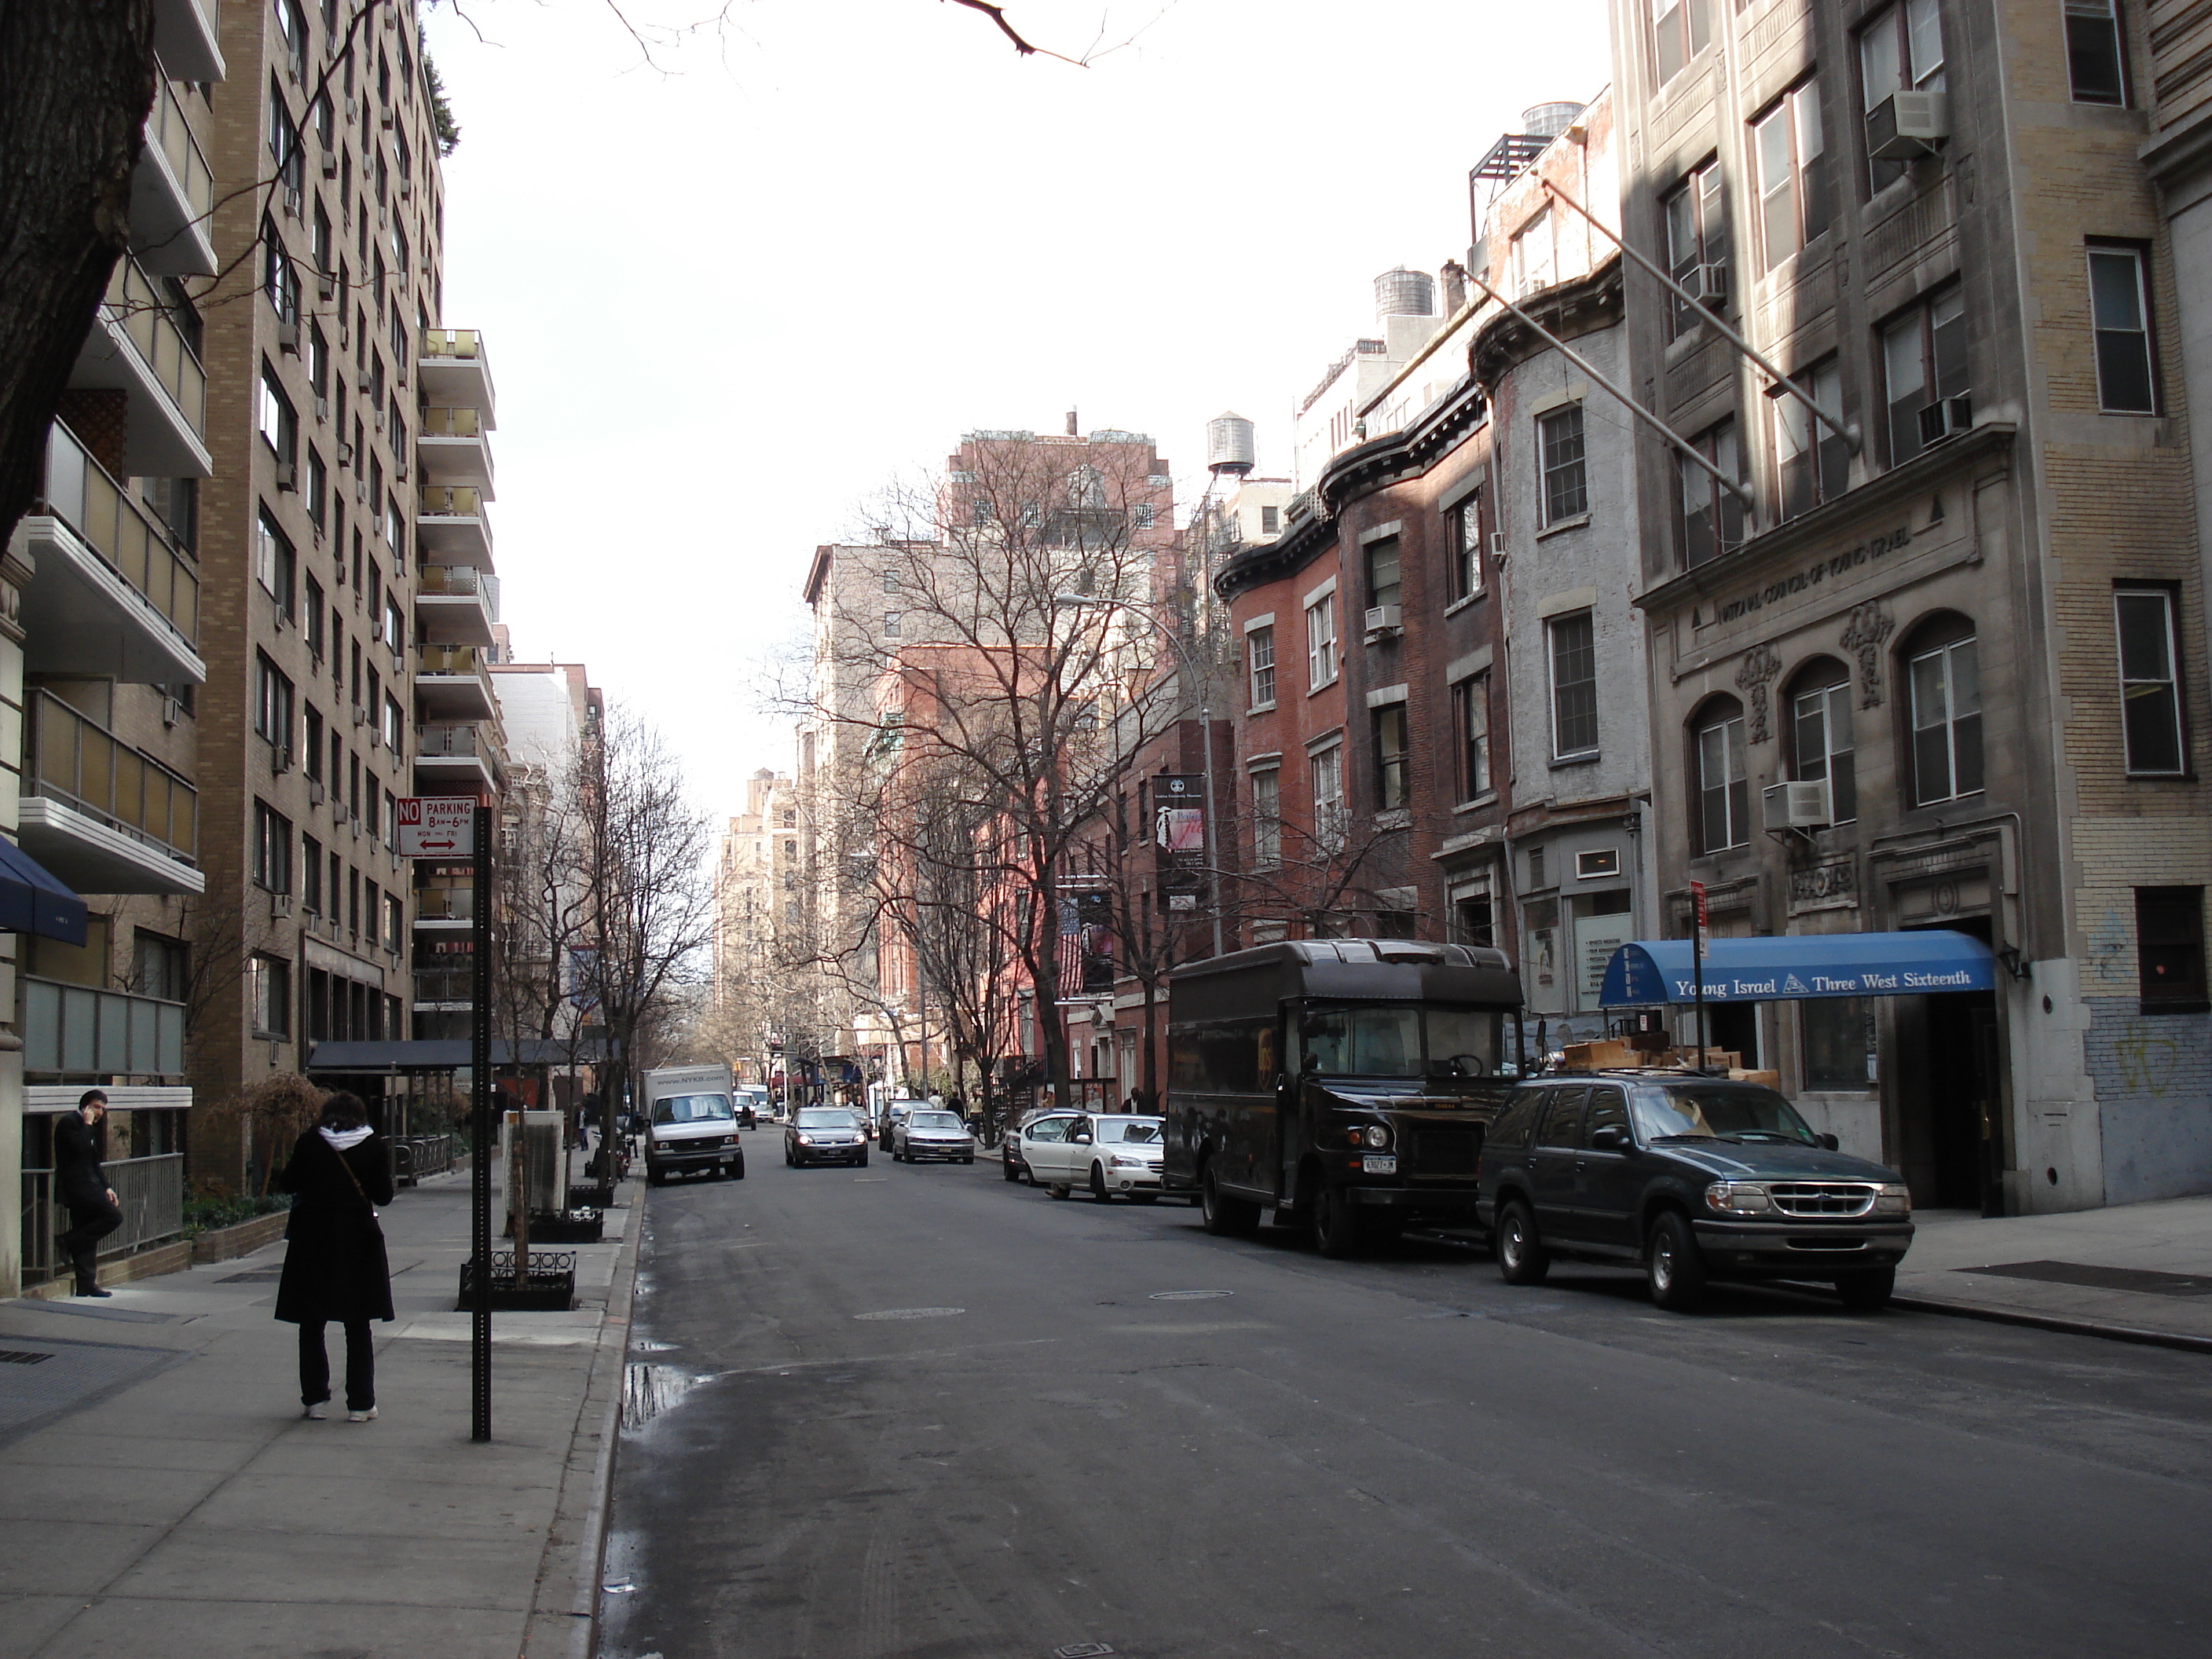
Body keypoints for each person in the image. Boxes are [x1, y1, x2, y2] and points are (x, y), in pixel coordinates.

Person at [274, 1092, 395, 1423]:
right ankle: (360, 1403)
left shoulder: (310, 1142)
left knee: (311, 1322)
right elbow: (383, 1196)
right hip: (358, 1243)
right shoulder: (374, 1145)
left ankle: (315, 1400)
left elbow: (287, 1183)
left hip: (311, 1242)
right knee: (358, 1325)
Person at [54, 1090, 121, 1298]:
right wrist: (87, 1125)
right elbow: (79, 1147)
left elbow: (94, 1162)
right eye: (96, 1107)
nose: (100, 1112)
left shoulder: (88, 1128)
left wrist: (107, 1187)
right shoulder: (70, 1123)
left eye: (102, 1108)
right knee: (113, 1217)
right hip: (78, 1188)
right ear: (85, 1107)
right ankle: (67, 1241)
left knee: (87, 1235)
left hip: (91, 1185)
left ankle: (86, 1285)